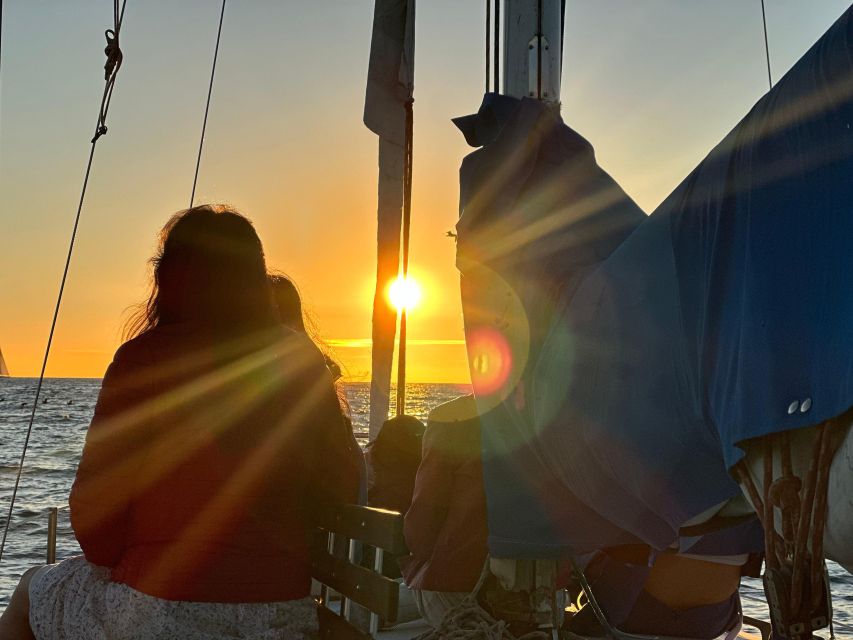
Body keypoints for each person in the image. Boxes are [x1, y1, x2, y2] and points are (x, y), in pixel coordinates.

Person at [0, 205, 360, 640]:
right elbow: (339, 484)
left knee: (27, 593)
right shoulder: (300, 360)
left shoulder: (143, 359)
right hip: (279, 614)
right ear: (255, 279)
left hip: (159, 610)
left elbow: (97, 517)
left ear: (167, 277)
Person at [400, 394, 488, 628]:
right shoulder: (556, 413)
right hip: (549, 597)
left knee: (409, 590)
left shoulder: (453, 418)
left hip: (462, 588)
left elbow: (420, 534)